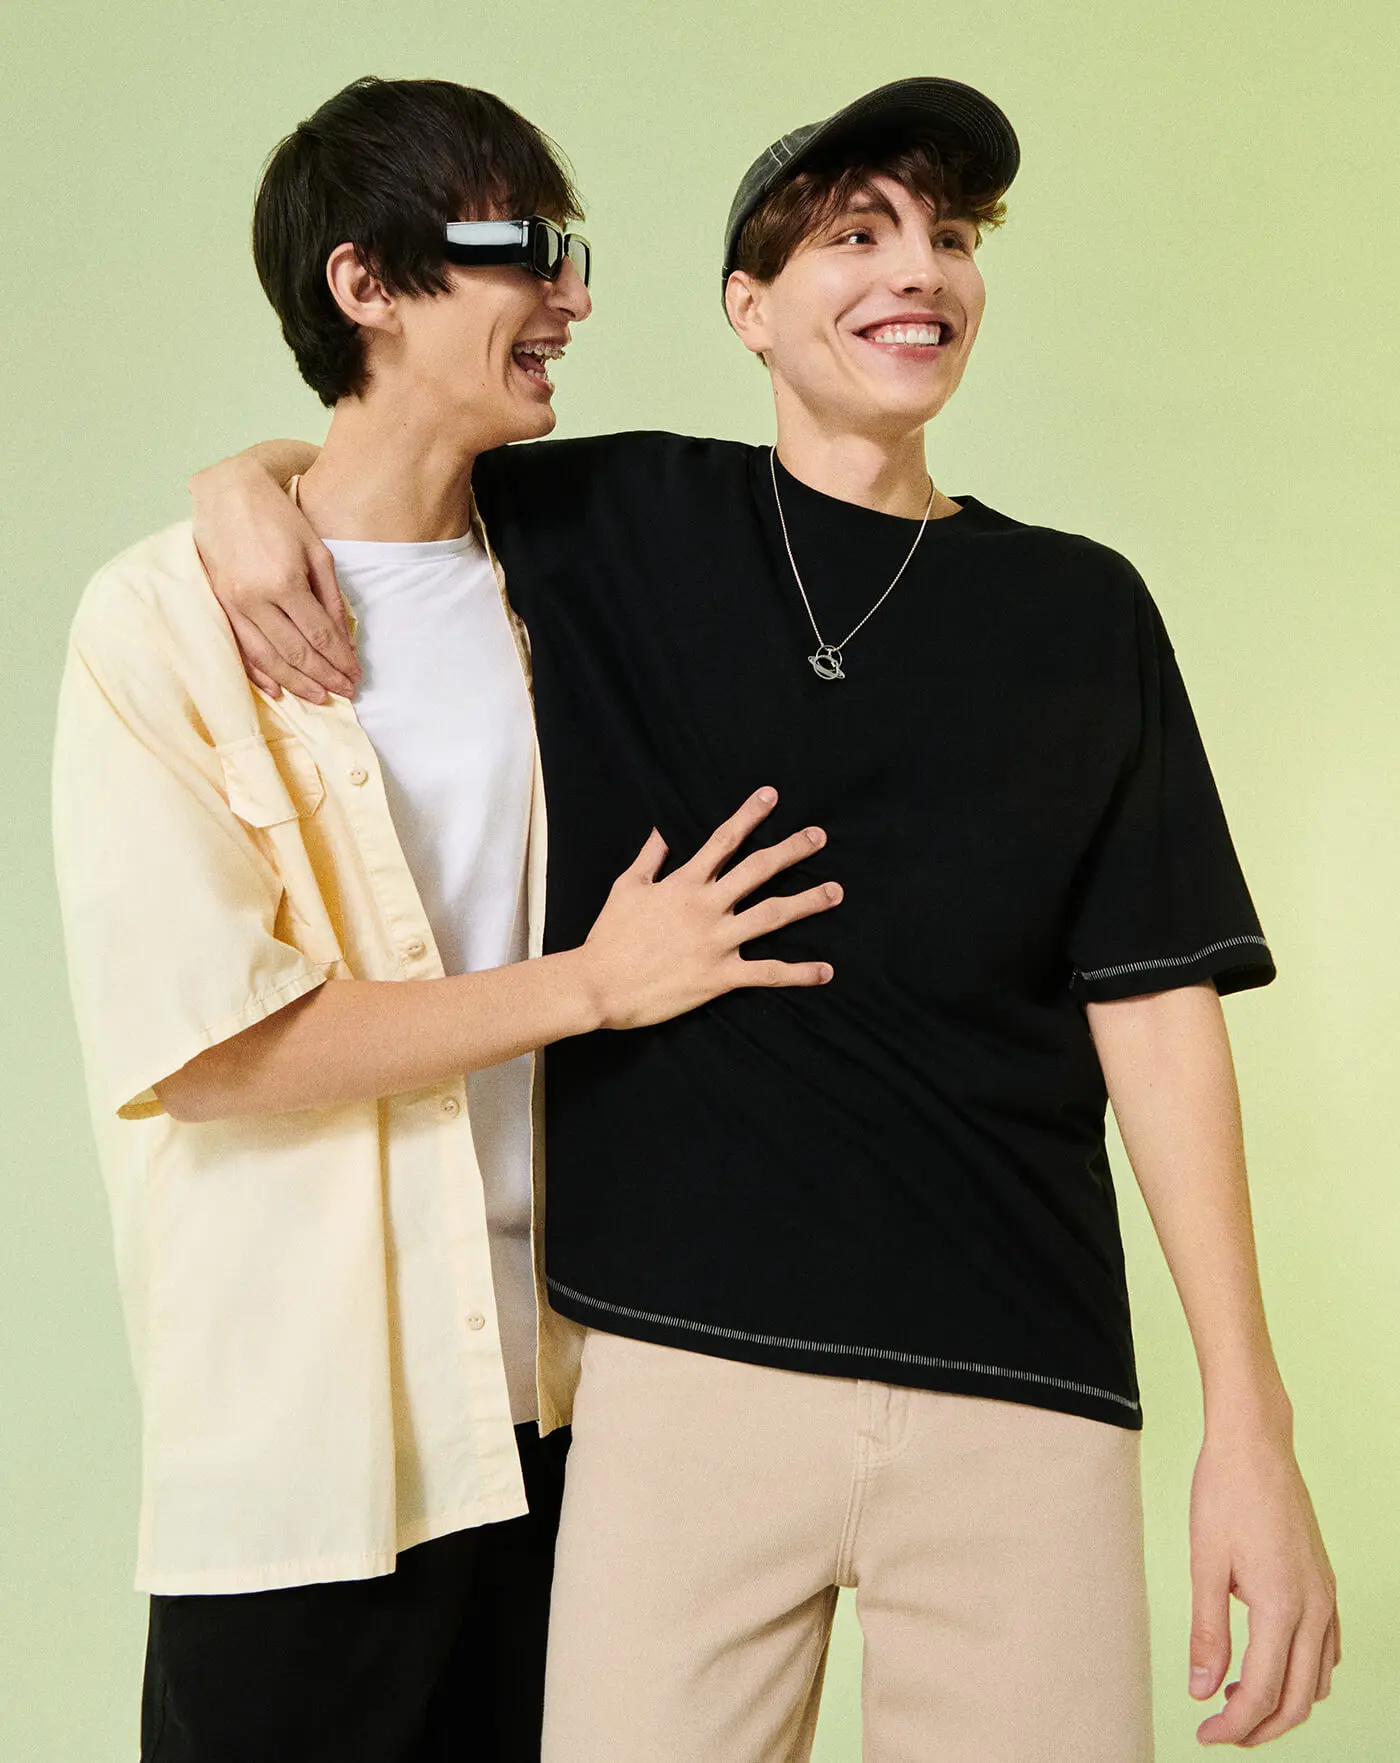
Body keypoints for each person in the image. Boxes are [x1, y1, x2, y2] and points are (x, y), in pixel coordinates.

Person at [189, 76, 1339, 1761]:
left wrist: (1252, 1422)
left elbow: (1159, 1017)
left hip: (1022, 1391)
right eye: (858, 235)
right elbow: (385, 453)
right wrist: (242, 483)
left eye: (951, 237)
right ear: (749, 308)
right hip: (679, 1377)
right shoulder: (612, 522)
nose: (920, 269)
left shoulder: (1082, 611)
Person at [51, 76, 841, 1763]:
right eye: (526, 247)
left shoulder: (574, 587)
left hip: (580, 1407)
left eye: (574, 253)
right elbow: (214, 1044)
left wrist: (253, 468)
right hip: (309, 1438)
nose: (571, 296)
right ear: (366, 283)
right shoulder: (158, 626)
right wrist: (593, 984)